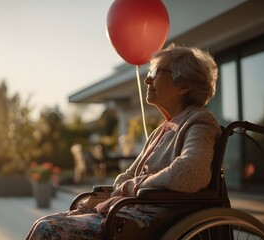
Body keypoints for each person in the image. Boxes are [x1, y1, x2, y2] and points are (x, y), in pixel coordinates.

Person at [25, 43, 221, 240]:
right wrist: (116, 191)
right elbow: (128, 175)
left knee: (47, 230)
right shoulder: (162, 130)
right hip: (126, 212)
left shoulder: (199, 121)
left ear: (184, 86)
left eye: (157, 71)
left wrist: (132, 187)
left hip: (148, 221)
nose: (147, 79)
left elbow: (191, 172)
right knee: (45, 223)